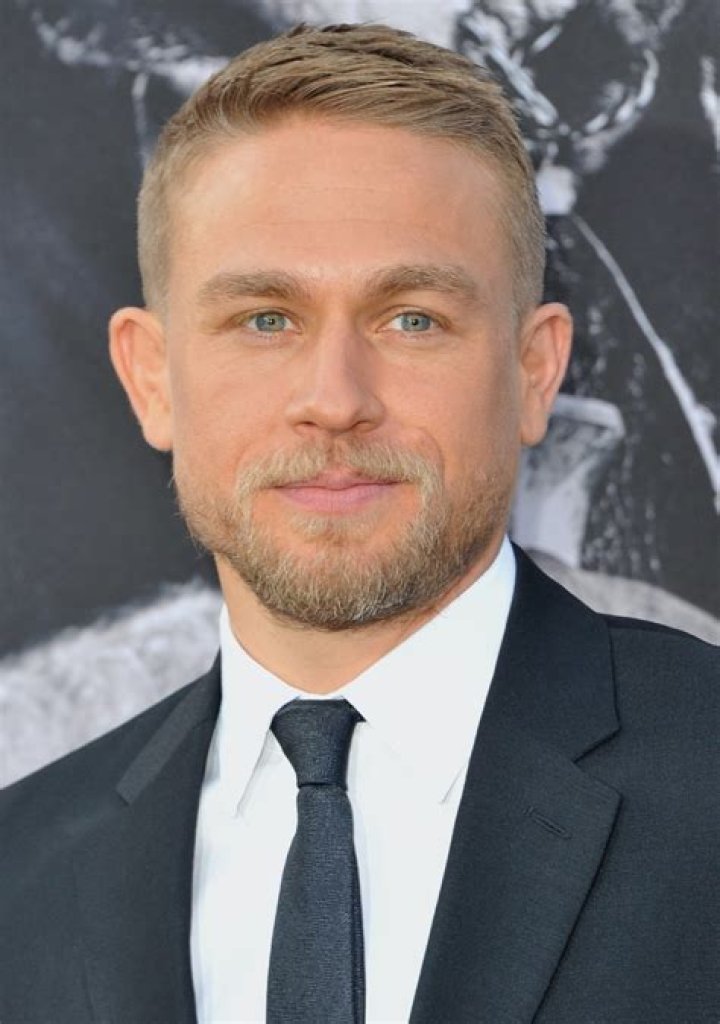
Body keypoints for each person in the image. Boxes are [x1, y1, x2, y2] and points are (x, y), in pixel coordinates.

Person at [0, 22, 717, 1024]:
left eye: (412, 318)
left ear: (534, 370)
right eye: (265, 319)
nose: (335, 400)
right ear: (151, 379)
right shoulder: (20, 875)